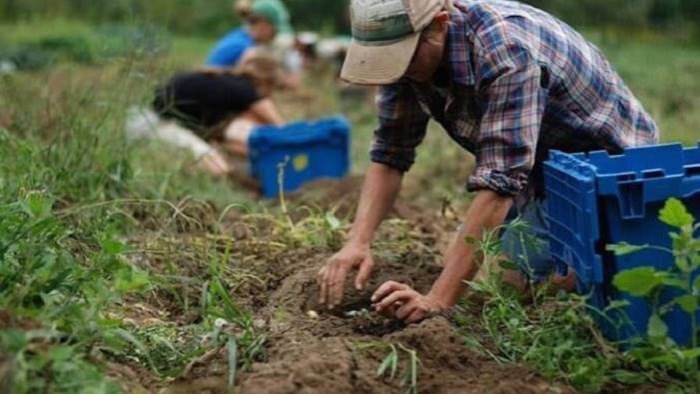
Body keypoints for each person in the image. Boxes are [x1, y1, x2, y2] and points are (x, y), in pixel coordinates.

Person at [317, 0, 659, 324]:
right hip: (537, 166)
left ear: (438, 24)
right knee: (487, 277)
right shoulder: (409, 63)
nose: (399, 69)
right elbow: (391, 151)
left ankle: (598, 264)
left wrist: (437, 301)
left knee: (511, 291)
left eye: (403, 57)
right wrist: (357, 242)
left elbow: (499, 185)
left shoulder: (505, 51)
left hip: (603, 169)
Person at [126, 52, 284, 176]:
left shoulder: (228, 81)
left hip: (143, 120)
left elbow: (219, 135)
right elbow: (281, 128)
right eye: (273, 88)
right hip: (153, 127)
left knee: (220, 158)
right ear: (266, 82)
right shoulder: (246, 90)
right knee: (218, 168)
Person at [206, 0, 292, 69]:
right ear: (262, 23)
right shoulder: (242, 47)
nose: (275, 36)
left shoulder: (240, 37)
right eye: (275, 31)